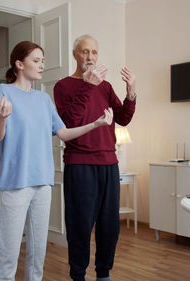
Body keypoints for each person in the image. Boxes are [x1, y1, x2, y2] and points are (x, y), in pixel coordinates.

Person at [0, 40, 113, 281]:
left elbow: (63, 133)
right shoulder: (4, 92)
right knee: (8, 253)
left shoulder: (43, 99)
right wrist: (1, 118)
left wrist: (96, 124)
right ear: (19, 64)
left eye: (43, 61)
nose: (41, 65)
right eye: (36, 61)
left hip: (43, 183)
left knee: (37, 253)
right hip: (14, 184)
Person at [53, 34, 137, 281]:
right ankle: (78, 275)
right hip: (80, 165)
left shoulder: (106, 87)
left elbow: (122, 118)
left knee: (110, 225)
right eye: (85, 51)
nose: (90, 57)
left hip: (109, 164)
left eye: (94, 52)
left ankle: (103, 274)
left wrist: (131, 91)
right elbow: (69, 123)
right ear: (75, 54)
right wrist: (87, 86)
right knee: (80, 225)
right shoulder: (63, 86)